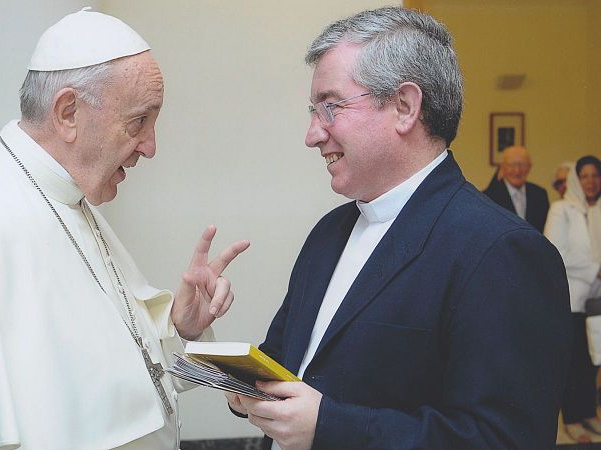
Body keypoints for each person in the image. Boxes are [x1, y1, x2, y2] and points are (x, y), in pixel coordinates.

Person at [0, 9, 249, 450]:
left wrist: (183, 330)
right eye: (139, 122)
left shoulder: (67, 199)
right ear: (68, 112)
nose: (150, 147)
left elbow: (129, 377)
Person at [226, 7, 571, 450]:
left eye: (330, 107)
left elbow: (503, 438)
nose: (312, 134)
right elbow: (287, 364)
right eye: (314, 111)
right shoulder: (329, 233)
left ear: (405, 107)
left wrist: (329, 426)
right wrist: (212, 349)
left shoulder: (503, 252)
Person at [544, 155, 601, 443]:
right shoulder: (562, 209)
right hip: (571, 299)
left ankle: (590, 413)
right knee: (574, 361)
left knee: (594, 360)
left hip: (597, 301)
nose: (591, 181)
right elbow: (555, 251)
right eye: (585, 176)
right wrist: (595, 269)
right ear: (577, 179)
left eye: (596, 175)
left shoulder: (598, 210)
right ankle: (573, 418)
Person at [483, 145, 550, 233]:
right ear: (502, 167)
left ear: (529, 167)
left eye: (522, 165)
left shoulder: (540, 194)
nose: (517, 171)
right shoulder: (489, 197)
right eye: (512, 165)